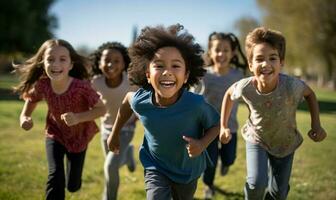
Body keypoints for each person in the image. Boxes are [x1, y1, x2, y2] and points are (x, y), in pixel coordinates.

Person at [107, 24, 220, 200]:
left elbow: (216, 124)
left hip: (187, 170)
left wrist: (202, 144)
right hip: (155, 166)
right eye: (159, 66)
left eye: (175, 66)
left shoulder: (195, 104)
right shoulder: (141, 100)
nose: (167, 72)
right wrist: (114, 133)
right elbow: (127, 102)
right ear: (147, 75)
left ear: (186, 76)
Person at [220, 27, 327, 200]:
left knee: (279, 193)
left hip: (285, 143)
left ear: (281, 62)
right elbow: (229, 95)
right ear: (251, 64)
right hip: (257, 139)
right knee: (256, 184)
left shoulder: (291, 85)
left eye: (272, 58)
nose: (266, 64)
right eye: (259, 59)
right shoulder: (246, 86)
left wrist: (316, 124)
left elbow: (310, 95)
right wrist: (223, 127)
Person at [13, 39, 106, 200]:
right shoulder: (43, 85)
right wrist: (24, 117)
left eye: (62, 59)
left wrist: (78, 117)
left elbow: (102, 109)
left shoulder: (81, 87)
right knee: (55, 175)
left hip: (79, 137)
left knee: (72, 185)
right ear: (43, 63)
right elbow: (31, 99)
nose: (56, 64)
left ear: (70, 65)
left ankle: (74, 182)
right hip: (54, 134)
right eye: (50, 59)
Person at [200, 32, 247, 199]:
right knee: (210, 161)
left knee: (229, 158)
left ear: (233, 53)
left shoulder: (238, 76)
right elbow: (194, 95)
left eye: (226, 50)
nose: (221, 54)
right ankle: (208, 186)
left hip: (230, 127)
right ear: (210, 53)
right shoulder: (204, 75)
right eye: (217, 50)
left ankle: (225, 163)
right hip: (208, 128)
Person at [90, 42, 137, 200]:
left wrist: (137, 115)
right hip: (106, 128)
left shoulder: (130, 81)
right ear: (99, 63)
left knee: (110, 166)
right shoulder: (95, 82)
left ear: (124, 63)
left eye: (116, 60)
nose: (111, 64)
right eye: (107, 60)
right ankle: (129, 154)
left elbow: (142, 100)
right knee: (111, 166)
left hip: (126, 129)